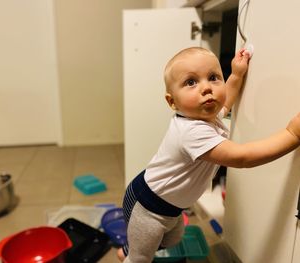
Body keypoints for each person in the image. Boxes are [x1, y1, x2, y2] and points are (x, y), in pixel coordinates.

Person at [117, 47, 300, 263]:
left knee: (172, 239)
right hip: (147, 206)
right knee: (141, 258)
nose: (206, 88)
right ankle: (128, 254)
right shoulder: (191, 132)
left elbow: (227, 100)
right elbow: (242, 158)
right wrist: (291, 134)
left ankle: (130, 246)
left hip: (171, 207)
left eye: (213, 78)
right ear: (172, 102)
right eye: (191, 82)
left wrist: (236, 74)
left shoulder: (208, 118)